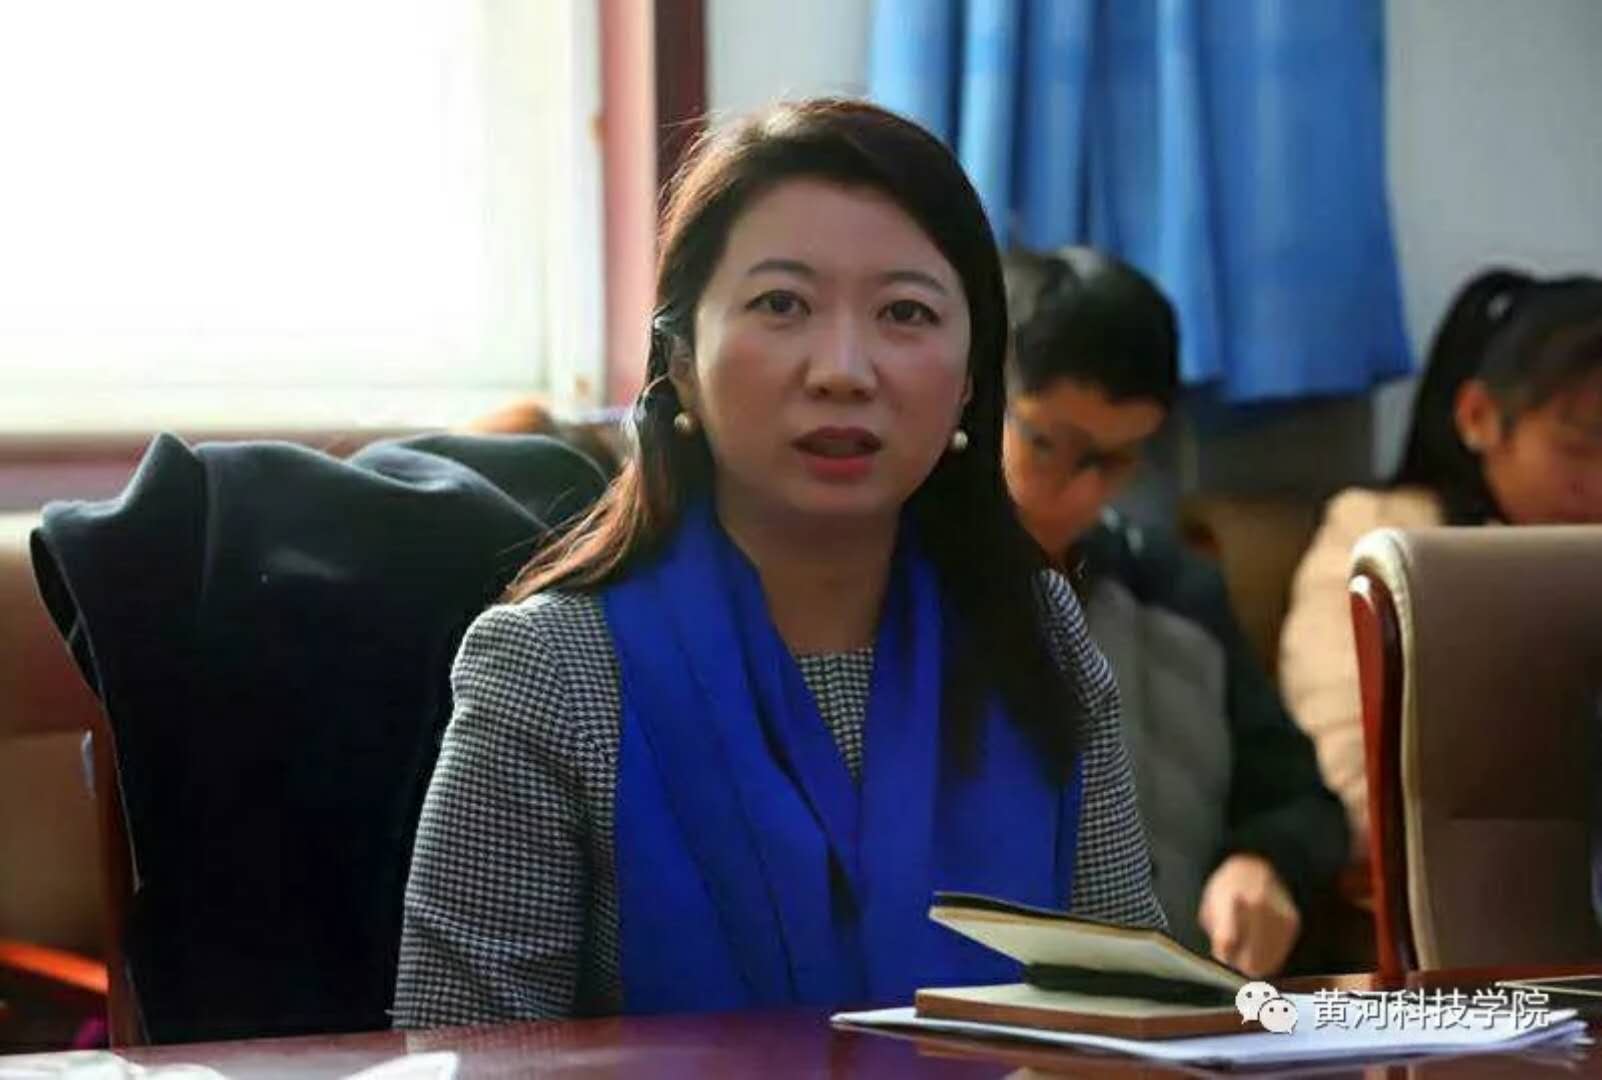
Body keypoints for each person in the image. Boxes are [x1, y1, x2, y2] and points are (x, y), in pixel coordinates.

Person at [391, 100, 1165, 1028]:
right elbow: (462, 1055)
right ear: (681, 357)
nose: (843, 369)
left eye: (906, 312)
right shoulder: (554, 671)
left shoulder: (1033, 631)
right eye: (781, 305)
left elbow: (1135, 1018)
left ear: (970, 380)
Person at [1001, 248, 1347, 977]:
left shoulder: (1174, 592)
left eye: (1118, 459)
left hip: (1169, 1008)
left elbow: (1302, 803)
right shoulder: (892, 592)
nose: (1083, 492)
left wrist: (1263, 861)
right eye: (1050, 446)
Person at [1280, 269, 1602, 862]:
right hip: (1468, 872)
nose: (1598, 484)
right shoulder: (1382, 535)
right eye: (1578, 449)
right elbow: (1350, 765)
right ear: (1479, 416)